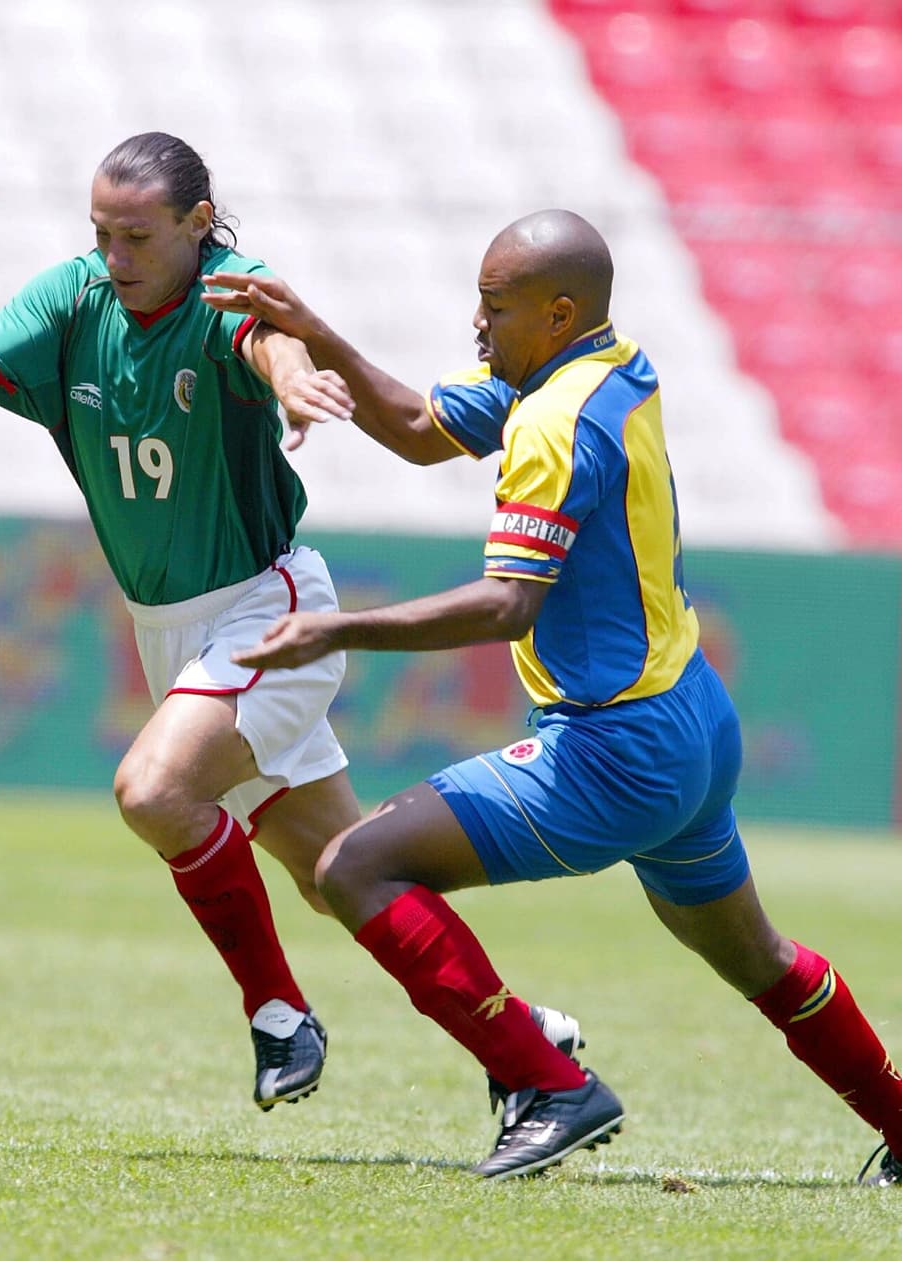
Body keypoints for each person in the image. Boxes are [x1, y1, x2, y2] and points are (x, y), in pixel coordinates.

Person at [201, 209, 902, 1183]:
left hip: (613, 747)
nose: (475, 324)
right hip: (691, 720)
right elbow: (413, 428)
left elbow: (504, 603)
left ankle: (547, 1085)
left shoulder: (549, 422)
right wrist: (314, 331)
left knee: (353, 867)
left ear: (557, 310)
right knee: (757, 957)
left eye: (494, 306)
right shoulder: (608, 367)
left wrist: (338, 628)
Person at [0, 132, 368, 1111]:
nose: (114, 256)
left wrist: (291, 378)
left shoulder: (225, 288)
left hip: (263, 606)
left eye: (136, 236)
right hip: (170, 635)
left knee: (152, 791)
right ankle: (524, 1035)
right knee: (345, 870)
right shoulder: (78, 298)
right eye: (101, 234)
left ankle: (277, 1014)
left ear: (196, 225)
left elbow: (267, 336)